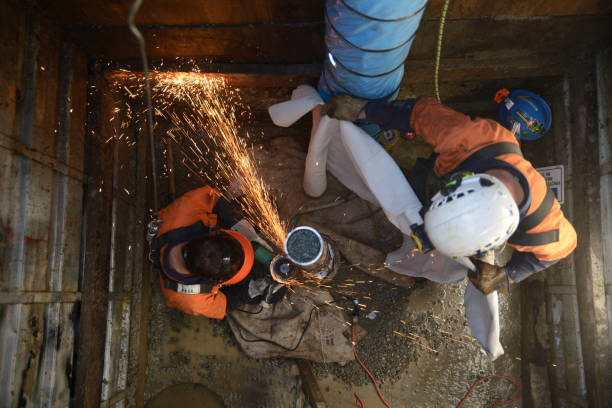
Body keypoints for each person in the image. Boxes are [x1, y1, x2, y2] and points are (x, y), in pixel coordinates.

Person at [321, 95, 577, 294]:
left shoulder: (545, 230)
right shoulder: (472, 138)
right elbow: (419, 114)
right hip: (438, 176)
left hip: (450, 184)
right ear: (460, 181)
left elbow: (562, 249)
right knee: (411, 190)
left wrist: (507, 276)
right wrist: (364, 110)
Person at [150, 185, 279, 319]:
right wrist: (251, 291)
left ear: (212, 234)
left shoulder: (183, 213)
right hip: (213, 283)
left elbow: (213, 198)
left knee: (261, 205)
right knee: (277, 293)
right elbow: (225, 304)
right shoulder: (192, 300)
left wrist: (239, 224)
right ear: (216, 281)